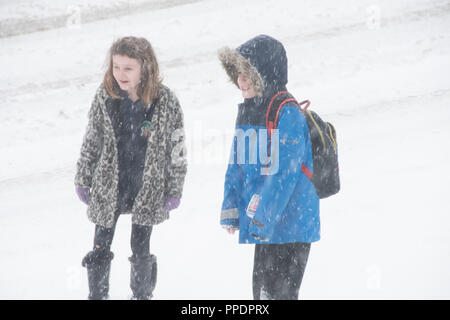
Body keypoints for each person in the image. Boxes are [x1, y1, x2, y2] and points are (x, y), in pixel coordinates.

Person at [74, 36, 187, 300]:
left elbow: (178, 149)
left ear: (145, 68)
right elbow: (92, 139)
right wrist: (83, 177)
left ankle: (141, 294)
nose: (120, 74)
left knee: (140, 244)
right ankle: (98, 295)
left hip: (147, 186)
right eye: (116, 67)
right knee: (101, 242)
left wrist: (174, 188)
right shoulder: (105, 97)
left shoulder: (166, 101)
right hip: (110, 184)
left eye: (128, 68)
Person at [218, 35, 320, 300]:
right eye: (238, 73)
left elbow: (283, 175)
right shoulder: (249, 109)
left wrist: (262, 218)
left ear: (266, 74)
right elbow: (236, 163)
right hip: (265, 223)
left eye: (248, 74)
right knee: (261, 295)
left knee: (280, 296)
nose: (241, 80)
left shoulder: (287, 113)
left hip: (293, 225)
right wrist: (231, 209)